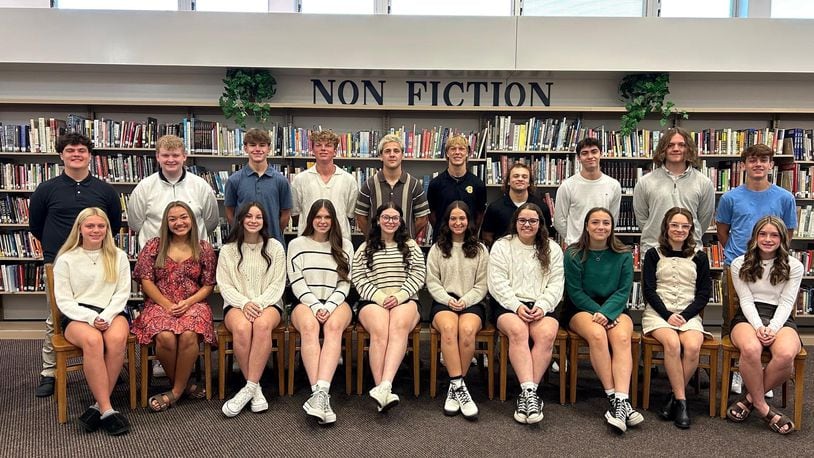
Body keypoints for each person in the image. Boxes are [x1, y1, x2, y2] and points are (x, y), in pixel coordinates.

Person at [29, 132, 122, 397]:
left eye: (81, 150)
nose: (76, 155)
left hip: (98, 262)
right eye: (70, 150)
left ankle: (104, 368)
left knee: (103, 312)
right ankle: (50, 372)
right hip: (58, 263)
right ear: (61, 155)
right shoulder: (46, 189)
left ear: (90, 155)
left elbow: (112, 225)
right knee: (54, 319)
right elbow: (36, 225)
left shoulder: (104, 190)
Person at [716, 143, 797, 394]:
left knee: (769, 317)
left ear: (770, 165)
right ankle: (740, 372)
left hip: (772, 267)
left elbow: (788, 232)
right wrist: (746, 257)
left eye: (763, 160)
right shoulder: (730, 197)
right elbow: (722, 231)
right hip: (737, 266)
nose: (758, 164)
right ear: (743, 165)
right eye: (752, 160)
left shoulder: (784, 197)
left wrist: (768, 255)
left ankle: (762, 374)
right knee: (733, 320)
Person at [130, 201, 217, 411]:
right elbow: (145, 280)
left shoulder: (203, 248)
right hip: (160, 302)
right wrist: (166, 304)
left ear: (192, 220)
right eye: (173, 219)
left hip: (193, 303)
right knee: (165, 337)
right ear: (166, 223)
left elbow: (208, 285)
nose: (179, 223)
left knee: (189, 334)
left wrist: (188, 302)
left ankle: (175, 392)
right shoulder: (154, 246)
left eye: (184, 217)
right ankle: (185, 385)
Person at [562, 207, 643, 433]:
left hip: (614, 309)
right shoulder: (573, 254)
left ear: (611, 227)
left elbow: (624, 290)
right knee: (597, 335)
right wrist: (600, 313)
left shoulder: (624, 254)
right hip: (581, 308)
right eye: (595, 222)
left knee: (623, 338)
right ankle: (613, 398)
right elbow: (575, 292)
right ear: (586, 226)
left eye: (606, 223)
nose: (601, 227)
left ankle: (622, 398)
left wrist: (607, 313)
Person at [52, 207, 131, 435]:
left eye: (100, 226)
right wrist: (91, 318)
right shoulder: (66, 259)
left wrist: (106, 316)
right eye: (90, 226)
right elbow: (64, 301)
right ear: (80, 229)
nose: (95, 230)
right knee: (94, 341)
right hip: (78, 315)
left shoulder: (119, 256)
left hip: (112, 312)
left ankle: (97, 406)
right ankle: (107, 409)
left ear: (107, 229)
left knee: (116, 339)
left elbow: (122, 293)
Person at [725, 216, 802, 435]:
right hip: (748, 317)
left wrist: (773, 328)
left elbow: (787, 302)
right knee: (751, 349)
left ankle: (749, 401)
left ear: (782, 238)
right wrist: (759, 326)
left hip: (780, 316)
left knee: (787, 354)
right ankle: (765, 409)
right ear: (755, 236)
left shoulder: (794, 265)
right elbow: (746, 300)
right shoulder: (740, 263)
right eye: (763, 234)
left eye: (774, 235)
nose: (768, 239)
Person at [488, 203, 563, 425]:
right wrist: (516, 306)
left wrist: (542, 305)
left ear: (541, 224)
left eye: (533, 221)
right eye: (522, 220)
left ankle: (528, 393)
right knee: (519, 331)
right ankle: (530, 393)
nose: (527, 225)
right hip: (509, 304)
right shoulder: (502, 246)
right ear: (515, 222)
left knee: (547, 335)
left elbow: (556, 283)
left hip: (542, 305)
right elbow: (497, 282)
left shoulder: (552, 248)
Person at [641, 207, 712, 429]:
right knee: (671, 343)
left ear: (691, 229)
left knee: (692, 346)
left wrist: (685, 315)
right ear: (666, 227)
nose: (679, 230)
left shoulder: (699, 257)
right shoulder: (653, 254)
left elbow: (703, 294)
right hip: (659, 313)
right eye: (674, 225)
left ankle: (674, 395)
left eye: (684, 226)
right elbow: (649, 291)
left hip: (688, 314)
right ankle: (682, 403)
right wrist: (668, 315)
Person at [352, 203, 425, 412]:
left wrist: (400, 296)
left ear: (401, 221)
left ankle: (384, 385)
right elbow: (357, 277)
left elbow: (419, 274)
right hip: (373, 300)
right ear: (377, 220)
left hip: (406, 299)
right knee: (380, 331)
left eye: (395, 218)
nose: (390, 221)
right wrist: (380, 297)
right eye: (386, 217)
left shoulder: (410, 245)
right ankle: (381, 388)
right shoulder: (366, 247)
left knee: (398, 328)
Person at [287, 199, 354, 424]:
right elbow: (296, 282)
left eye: (327, 217)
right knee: (309, 327)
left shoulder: (345, 245)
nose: (323, 221)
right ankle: (320, 395)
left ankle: (320, 393)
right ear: (310, 219)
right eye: (318, 217)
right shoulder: (297, 244)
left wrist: (329, 305)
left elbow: (345, 284)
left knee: (334, 327)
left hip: (336, 302)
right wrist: (315, 306)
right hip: (306, 302)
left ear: (334, 220)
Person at [216, 202, 285, 418]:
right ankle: (256, 390)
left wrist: (260, 304)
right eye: (249, 216)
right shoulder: (228, 250)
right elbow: (224, 284)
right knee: (243, 327)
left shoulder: (275, 247)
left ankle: (248, 388)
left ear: (264, 221)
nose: (253, 221)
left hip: (269, 303)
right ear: (240, 219)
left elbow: (277, 283)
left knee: (262, 325)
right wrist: (245, 303)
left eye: (258, 217)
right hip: (237, 304)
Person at [426, 201, 489, 420]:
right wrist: (447, 299)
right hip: (444, 302)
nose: (458, 222)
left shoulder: (480, 249)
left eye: (462, 218)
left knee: (468, 331)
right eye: (453, 218)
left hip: (472, 302)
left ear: (469, 221)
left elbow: (482, 284)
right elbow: (432, 281)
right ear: (447, 221)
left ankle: (455, 388)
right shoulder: (437, 248)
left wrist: (466, 300)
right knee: (449, 327)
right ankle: (459, 386)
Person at [128, 134, 219, 250]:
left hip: (194, 256)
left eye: (175, 155)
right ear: (157, 157)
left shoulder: (202, 187)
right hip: (155, 257)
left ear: (184, 156)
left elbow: (210, 223)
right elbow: (135, 224)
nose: (170, 160)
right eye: (165, 155)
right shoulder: (144, 188)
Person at [633, 127, 715, 254]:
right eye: (670, 145)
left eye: (681, 145)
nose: (676, 149)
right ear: (663, 149)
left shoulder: (704, 183)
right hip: (654, 250)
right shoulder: (645, 182)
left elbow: (703, 221)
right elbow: (642, 219)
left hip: (690, 252)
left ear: (689, 149)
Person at [224, 128, 292, 245]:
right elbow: (230, 213)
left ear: (269, 149)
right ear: (245, 148)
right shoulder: (234, 180)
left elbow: (285, 214)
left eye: (262, 145)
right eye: (252, 145)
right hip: (242, 243)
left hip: (272, 243)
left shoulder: (281, 181)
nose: (257, 149)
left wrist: (273, 231)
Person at [354, 134, 430, 239]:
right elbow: (360, 217)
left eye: (396, 151)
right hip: (376, 248)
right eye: (387, 151)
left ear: (402, 155)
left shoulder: (414, 185)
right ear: (380, 156)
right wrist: (372, 238)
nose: (392, 154)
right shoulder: (369, 184)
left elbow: (423, 219)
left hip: (405, 249)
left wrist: (407, 236)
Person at [290, 130, 358, 242]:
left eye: (328, 145)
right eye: (318, 145)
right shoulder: (300, 180)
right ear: (312, 150)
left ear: (335, 151)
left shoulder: (348, 180)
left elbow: (349, 215)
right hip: (308, 242)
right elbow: (295, 213)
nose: (323, 149)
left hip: (339, 241)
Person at [554, 137, 621, 245]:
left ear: (601, 154)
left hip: (603, 246)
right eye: (585, 153)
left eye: (594, 152)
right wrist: (573, 239)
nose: (590, 156)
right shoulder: (567, 186)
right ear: (579, 158)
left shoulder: (614, 185)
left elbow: (613, 219)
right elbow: (559, 220)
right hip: (576, 246)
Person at [481, 161, 554, 248]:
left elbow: (547, 235)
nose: (520, 179)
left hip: (534, 254)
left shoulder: (541, 207)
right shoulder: (495, 207)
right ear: (508, 181)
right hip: (504, 256)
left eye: (524, 177)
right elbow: (487, 236)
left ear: (529, 182)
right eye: (516, 176)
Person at [426, 135, 487, 232]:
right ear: (447, 153)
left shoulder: (478, 184)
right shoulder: (435, 184)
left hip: (468, 240)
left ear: (467, 153)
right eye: (453, 149)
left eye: (461, 149)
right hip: (442, 240)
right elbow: (431, 215)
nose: (457, 152)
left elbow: (480, 215)